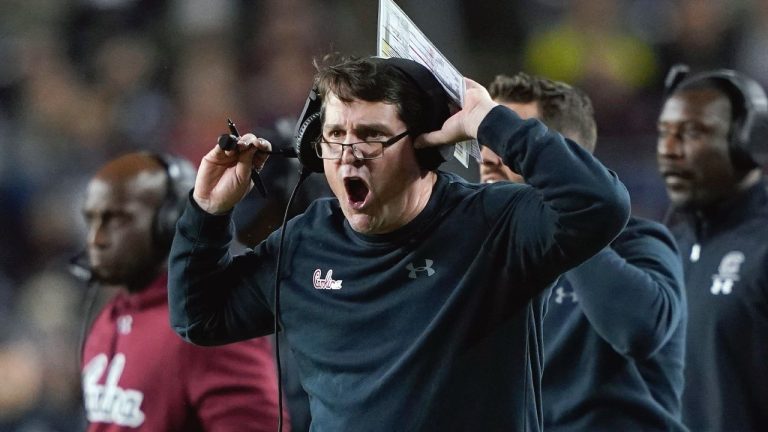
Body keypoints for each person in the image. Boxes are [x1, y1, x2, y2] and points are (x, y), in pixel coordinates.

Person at [168, 55, 630, 431]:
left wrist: (489, 121)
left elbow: (601, 204)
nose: (349, 154)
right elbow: (199, 317)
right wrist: (208, 212)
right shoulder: (307, 239)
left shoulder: (496, 222)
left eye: (371, 136)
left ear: (424, 148)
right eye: (334, 136)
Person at [481, 72, 688, 431]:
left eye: (511, 143)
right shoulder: (487, 259)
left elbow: (638, 331)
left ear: (564, 161)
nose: (487, 159)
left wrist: (574, 221)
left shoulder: (637, 243)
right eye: (485, 141)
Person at [79, 152, 287, 431]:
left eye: (115, 219)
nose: (96, 239)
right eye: (91, 220)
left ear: (170, 221)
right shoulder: (110, 316)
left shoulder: (207, 326)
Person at [657, 66, 768, 431]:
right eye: (664, 134)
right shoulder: (669, 247)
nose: (670, 150)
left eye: (692, 132)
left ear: (748, 141)